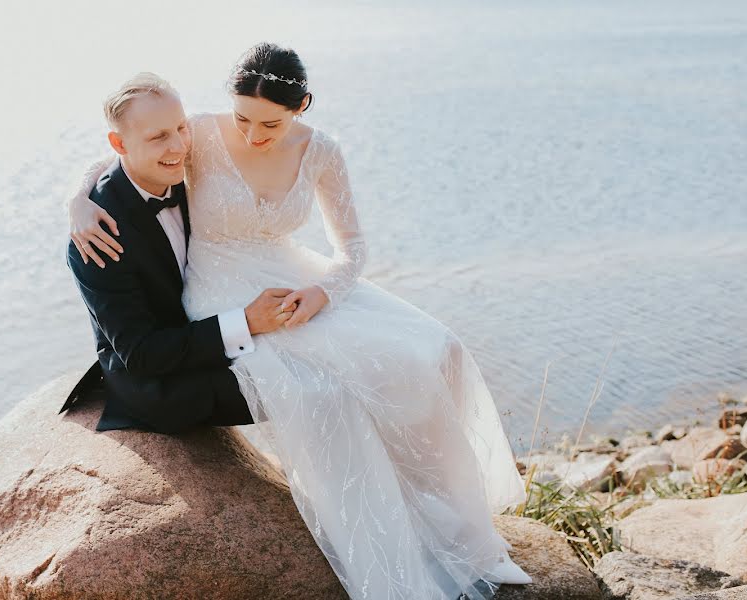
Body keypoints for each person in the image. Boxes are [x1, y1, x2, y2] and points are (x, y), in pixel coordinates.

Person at [68, 42, 532, 600]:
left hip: (292, 278)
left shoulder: (297, 149)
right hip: (219, 296)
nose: (253, 134)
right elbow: (125, 154)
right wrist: (76, 200)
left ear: (302, 107)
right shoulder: (193, 143)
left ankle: (470, 541)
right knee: (327, 395)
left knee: (430, 352)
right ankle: (390, 564)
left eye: (269, 123)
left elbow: (352, 247)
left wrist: (323, 293)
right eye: (243, 118)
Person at [61, 72, 298, 433]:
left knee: (336, 354)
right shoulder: (96, 236)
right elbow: (141, 355)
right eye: (158, 137)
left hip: (207, 325)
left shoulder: (183, 160)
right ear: (120, 144)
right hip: (164, 380)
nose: (179, 147)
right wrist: (247, 321)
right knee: (305, 390)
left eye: (181, 128)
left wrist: (74, 197)